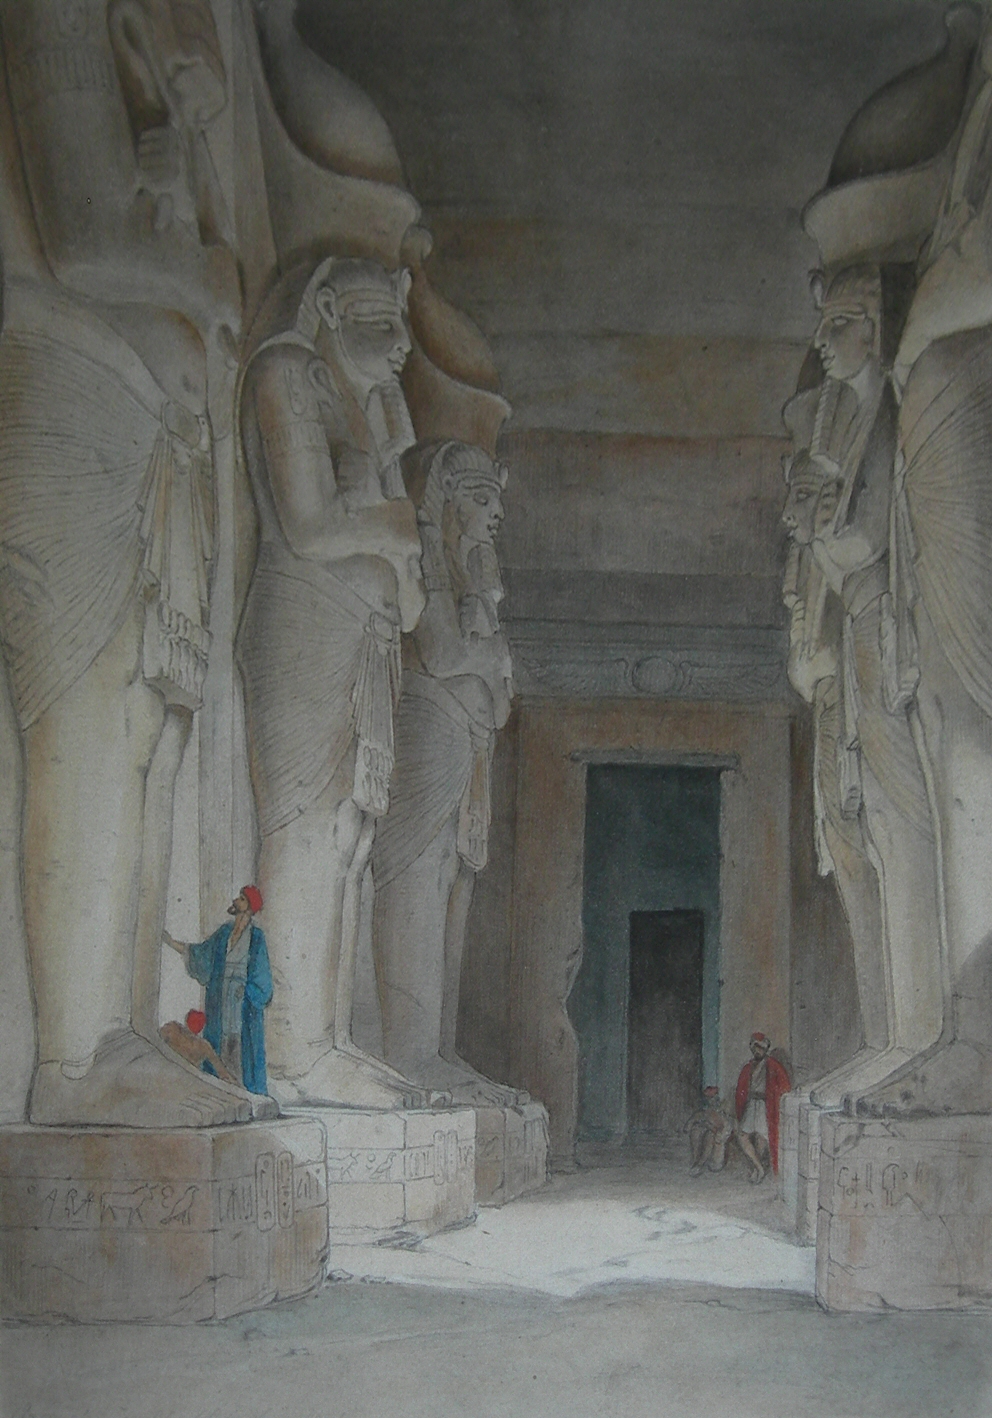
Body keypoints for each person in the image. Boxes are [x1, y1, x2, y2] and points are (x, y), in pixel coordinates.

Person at [163, 887, 272, 1096]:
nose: (236, 900)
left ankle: (247, 1096)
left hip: (242, 1007)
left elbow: (263, 981)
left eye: (241, 898)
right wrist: (172, 943)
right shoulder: (224, 933)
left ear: (250, 907)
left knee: (241, 1053)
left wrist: (246, 990)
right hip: (219, 1002)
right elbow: (201, 953)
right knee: (217, 1052)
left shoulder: (256, 938)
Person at [734, 1033, 791, 1183]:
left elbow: (785, 1087)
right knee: (742, 1136)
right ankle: (759, 1167)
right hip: (752, 1104)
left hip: (766, 1106)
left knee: (761, 1138)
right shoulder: (748, 1067)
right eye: (755, 1048)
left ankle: (758, 1170)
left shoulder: (773, 1066)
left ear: (765, 1048)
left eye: (760, 1048)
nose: (757, 1051)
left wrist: (773, 1096)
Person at [686, 1085, 734, 1176]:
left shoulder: (720, 1106)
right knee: (695, 1132)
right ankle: (696, 1161)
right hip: (710, 1126)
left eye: (710, 1090)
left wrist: (710, 1126)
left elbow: (719, 1126)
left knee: (710, 1136)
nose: (707, 1093)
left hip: (719, 1132)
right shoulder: (706, 1107)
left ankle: (700, 1163)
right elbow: (701, 1116)